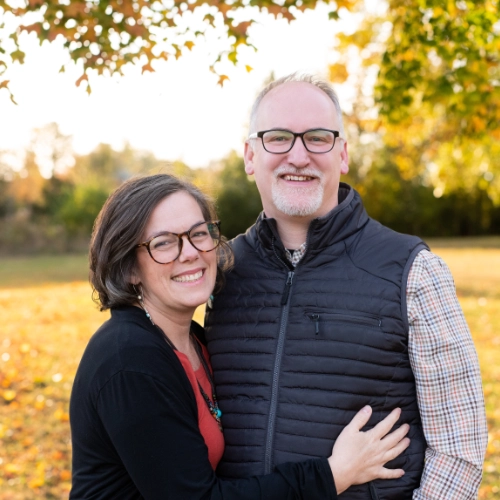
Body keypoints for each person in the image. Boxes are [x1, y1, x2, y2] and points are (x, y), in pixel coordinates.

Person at [204, 74, 488, 499]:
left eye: (317, 138)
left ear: (342, 154)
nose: (298, 156)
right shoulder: (217, 271)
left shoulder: (414, 270)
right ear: (250, 155)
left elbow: (458, 444)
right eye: (278, 137)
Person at [69, 174, 411, 499]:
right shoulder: (129, 362)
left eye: (199, 233)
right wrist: (334, 473)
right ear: (129, 267)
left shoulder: (193, 340)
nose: (189, 252)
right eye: (163, 243)